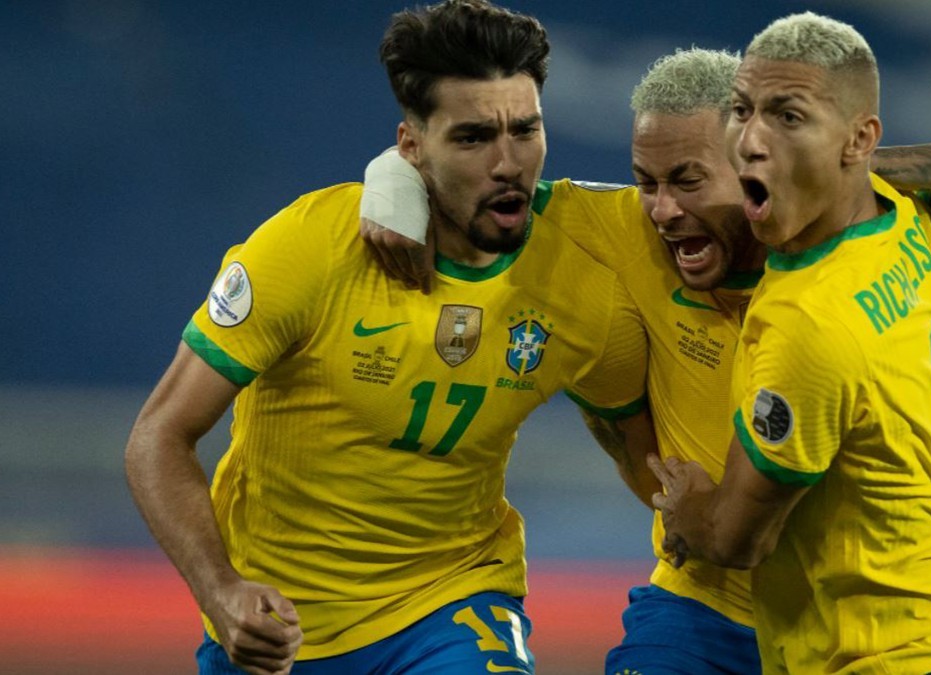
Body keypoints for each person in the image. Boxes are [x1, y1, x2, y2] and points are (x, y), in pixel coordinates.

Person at [360, 43, 931, 673]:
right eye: (647, 181)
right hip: (704, 605)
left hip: (849, 616)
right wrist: (391, 179)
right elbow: (465, 174)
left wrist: (834, 169)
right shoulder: (617, 228)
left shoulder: (854, 241)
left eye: (687, 181)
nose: (661, 210)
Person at [123, 2, 651, 674]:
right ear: (411, 145)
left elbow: (641, 447)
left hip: (453, 600)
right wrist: (221, 590)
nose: (508, 163)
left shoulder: (585, 275)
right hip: (283, 621)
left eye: (526, 130)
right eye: (472, 138)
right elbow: (158, 436)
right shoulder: (311, 246)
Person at [648, 12, 931, 674]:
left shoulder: (805, 323)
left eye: (788, 117)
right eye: (741, 111)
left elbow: (737, 540)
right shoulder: (902, 218)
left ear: (860, 139)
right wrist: (840, 171)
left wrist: (687, 514)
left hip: (881, 654)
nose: (752, 140)